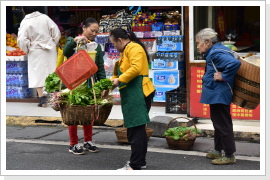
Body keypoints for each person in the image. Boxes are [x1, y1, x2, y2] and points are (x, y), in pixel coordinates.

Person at [109, 28, 155, 170]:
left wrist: (118, 80)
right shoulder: (127, 50)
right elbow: (119, 72)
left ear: (120, 40)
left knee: (136, 130)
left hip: (139, 92)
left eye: (113, 43)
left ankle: (135, 165)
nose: (114, 47)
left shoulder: (134, 48)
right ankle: (140, 162)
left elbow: (135, 68)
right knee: (136, 129)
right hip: (132, 93)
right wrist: (109, 85)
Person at [195, 28, 241, 165]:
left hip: (219, 93)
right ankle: (217, 150)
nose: (197, 46)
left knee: (223, 124)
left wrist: (224, 76)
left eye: (198, 43)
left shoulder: (215, 53)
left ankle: (229, 154)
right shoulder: (216, 50)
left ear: (208, 42)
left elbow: (235, 63)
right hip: (217, 93)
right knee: (218, 123)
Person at [63, 17, 106, 155]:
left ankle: (88, 141)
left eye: (96, 32)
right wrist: (75, 41)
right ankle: (73, 144)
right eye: (92, 30)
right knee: (73, 113)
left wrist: (103, 85)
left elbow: (100, 68)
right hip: (73, 84)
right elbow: (66, 52)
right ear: (84, 28)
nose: (94, 33)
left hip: (89, 84)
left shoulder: (97, 47)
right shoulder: (72, 41)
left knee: (88, 112)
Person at [17, 6, 61, 107]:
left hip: (35, 49)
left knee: (37, 73)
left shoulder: (25, 21)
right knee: (52, 72)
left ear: (24, 10)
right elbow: (56, 32)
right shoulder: (45, 17)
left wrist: (27, 49)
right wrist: (53, 43)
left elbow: (22, 40)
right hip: (50, 48)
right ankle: (55, 99)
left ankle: (42, 99)